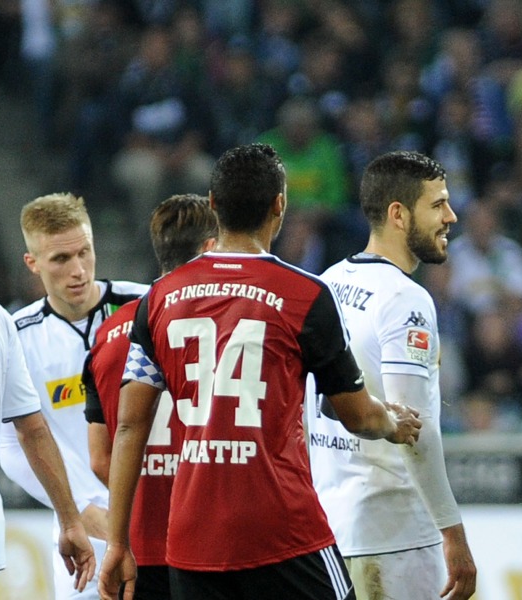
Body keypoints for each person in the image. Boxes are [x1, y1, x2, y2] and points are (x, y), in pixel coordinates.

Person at [98, 143, 422, 600]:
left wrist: (117, 540)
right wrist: (393, 423)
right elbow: (359, 416)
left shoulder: (157, 301)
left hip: (192, 537)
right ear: (280, 204)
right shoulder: (305, 294)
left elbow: (129, 424)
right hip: (282, 530)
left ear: (213, 206)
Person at [306, 150, 477, 600]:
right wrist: (452, 533)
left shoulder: (326, 282)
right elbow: (416, 429)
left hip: (331, 529)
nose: (451, 217)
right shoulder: (405, 299)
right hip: (394, 537)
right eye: (437, 204)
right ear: (399, 215)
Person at [0, 193, 149, 600]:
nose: (79, 271)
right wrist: (78, 509)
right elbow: (10, 444)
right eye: (61, 260)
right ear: (33, 264)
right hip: (81, 537)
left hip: (160, 522)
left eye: (85, 252)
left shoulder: (146, 307)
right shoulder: (16, 335)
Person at [83, 194, 218, 599]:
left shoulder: (107, 335)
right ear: (210, 247)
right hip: (207, 538)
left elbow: (99, 457)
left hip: (138, 541)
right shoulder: (221, 326)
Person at [0, 300, 97, 592]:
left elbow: (32, 431)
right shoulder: (4, 321)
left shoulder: (1, 322)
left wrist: (70, 518)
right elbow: (30, 432)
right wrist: (72, 519)